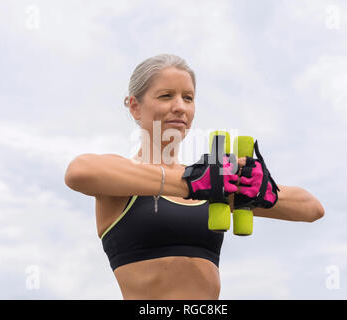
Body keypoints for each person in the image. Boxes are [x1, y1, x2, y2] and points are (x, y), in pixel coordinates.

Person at [64, 54, 325, 300]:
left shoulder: (213, 183)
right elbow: (79, 172)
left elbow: (312, 208)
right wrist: (190, 182)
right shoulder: (124, 178)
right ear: (134, 107)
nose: (179, 107)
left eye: (188, 98)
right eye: (166, 96)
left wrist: (263, 191)